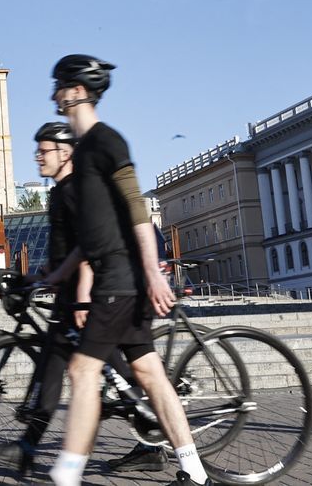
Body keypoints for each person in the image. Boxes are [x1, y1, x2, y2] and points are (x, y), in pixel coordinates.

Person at [47, 55, 208, 486]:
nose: (54, 93)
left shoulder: (105, 141)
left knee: (82, 372)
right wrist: (59, 273)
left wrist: (154, 273)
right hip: (115, 275)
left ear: (77, 92)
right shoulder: (83, 154)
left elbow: (137, 207)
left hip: (120, 278)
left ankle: (66, 475)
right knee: (149, 373)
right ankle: (195, 472)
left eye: (60, 85)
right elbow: (92, 232)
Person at [0, 123, 167, 476]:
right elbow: (63, 255)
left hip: (96, 292)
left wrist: (82, 292)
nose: (37, 156)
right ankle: (36, 447)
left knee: (80, 365)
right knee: (60, 363)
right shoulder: (60, 192)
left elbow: (91, 244)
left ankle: (40, 449)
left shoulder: (76, 190)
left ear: (65, 153)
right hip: (77, 293)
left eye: (44, 150)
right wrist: (30, 277)